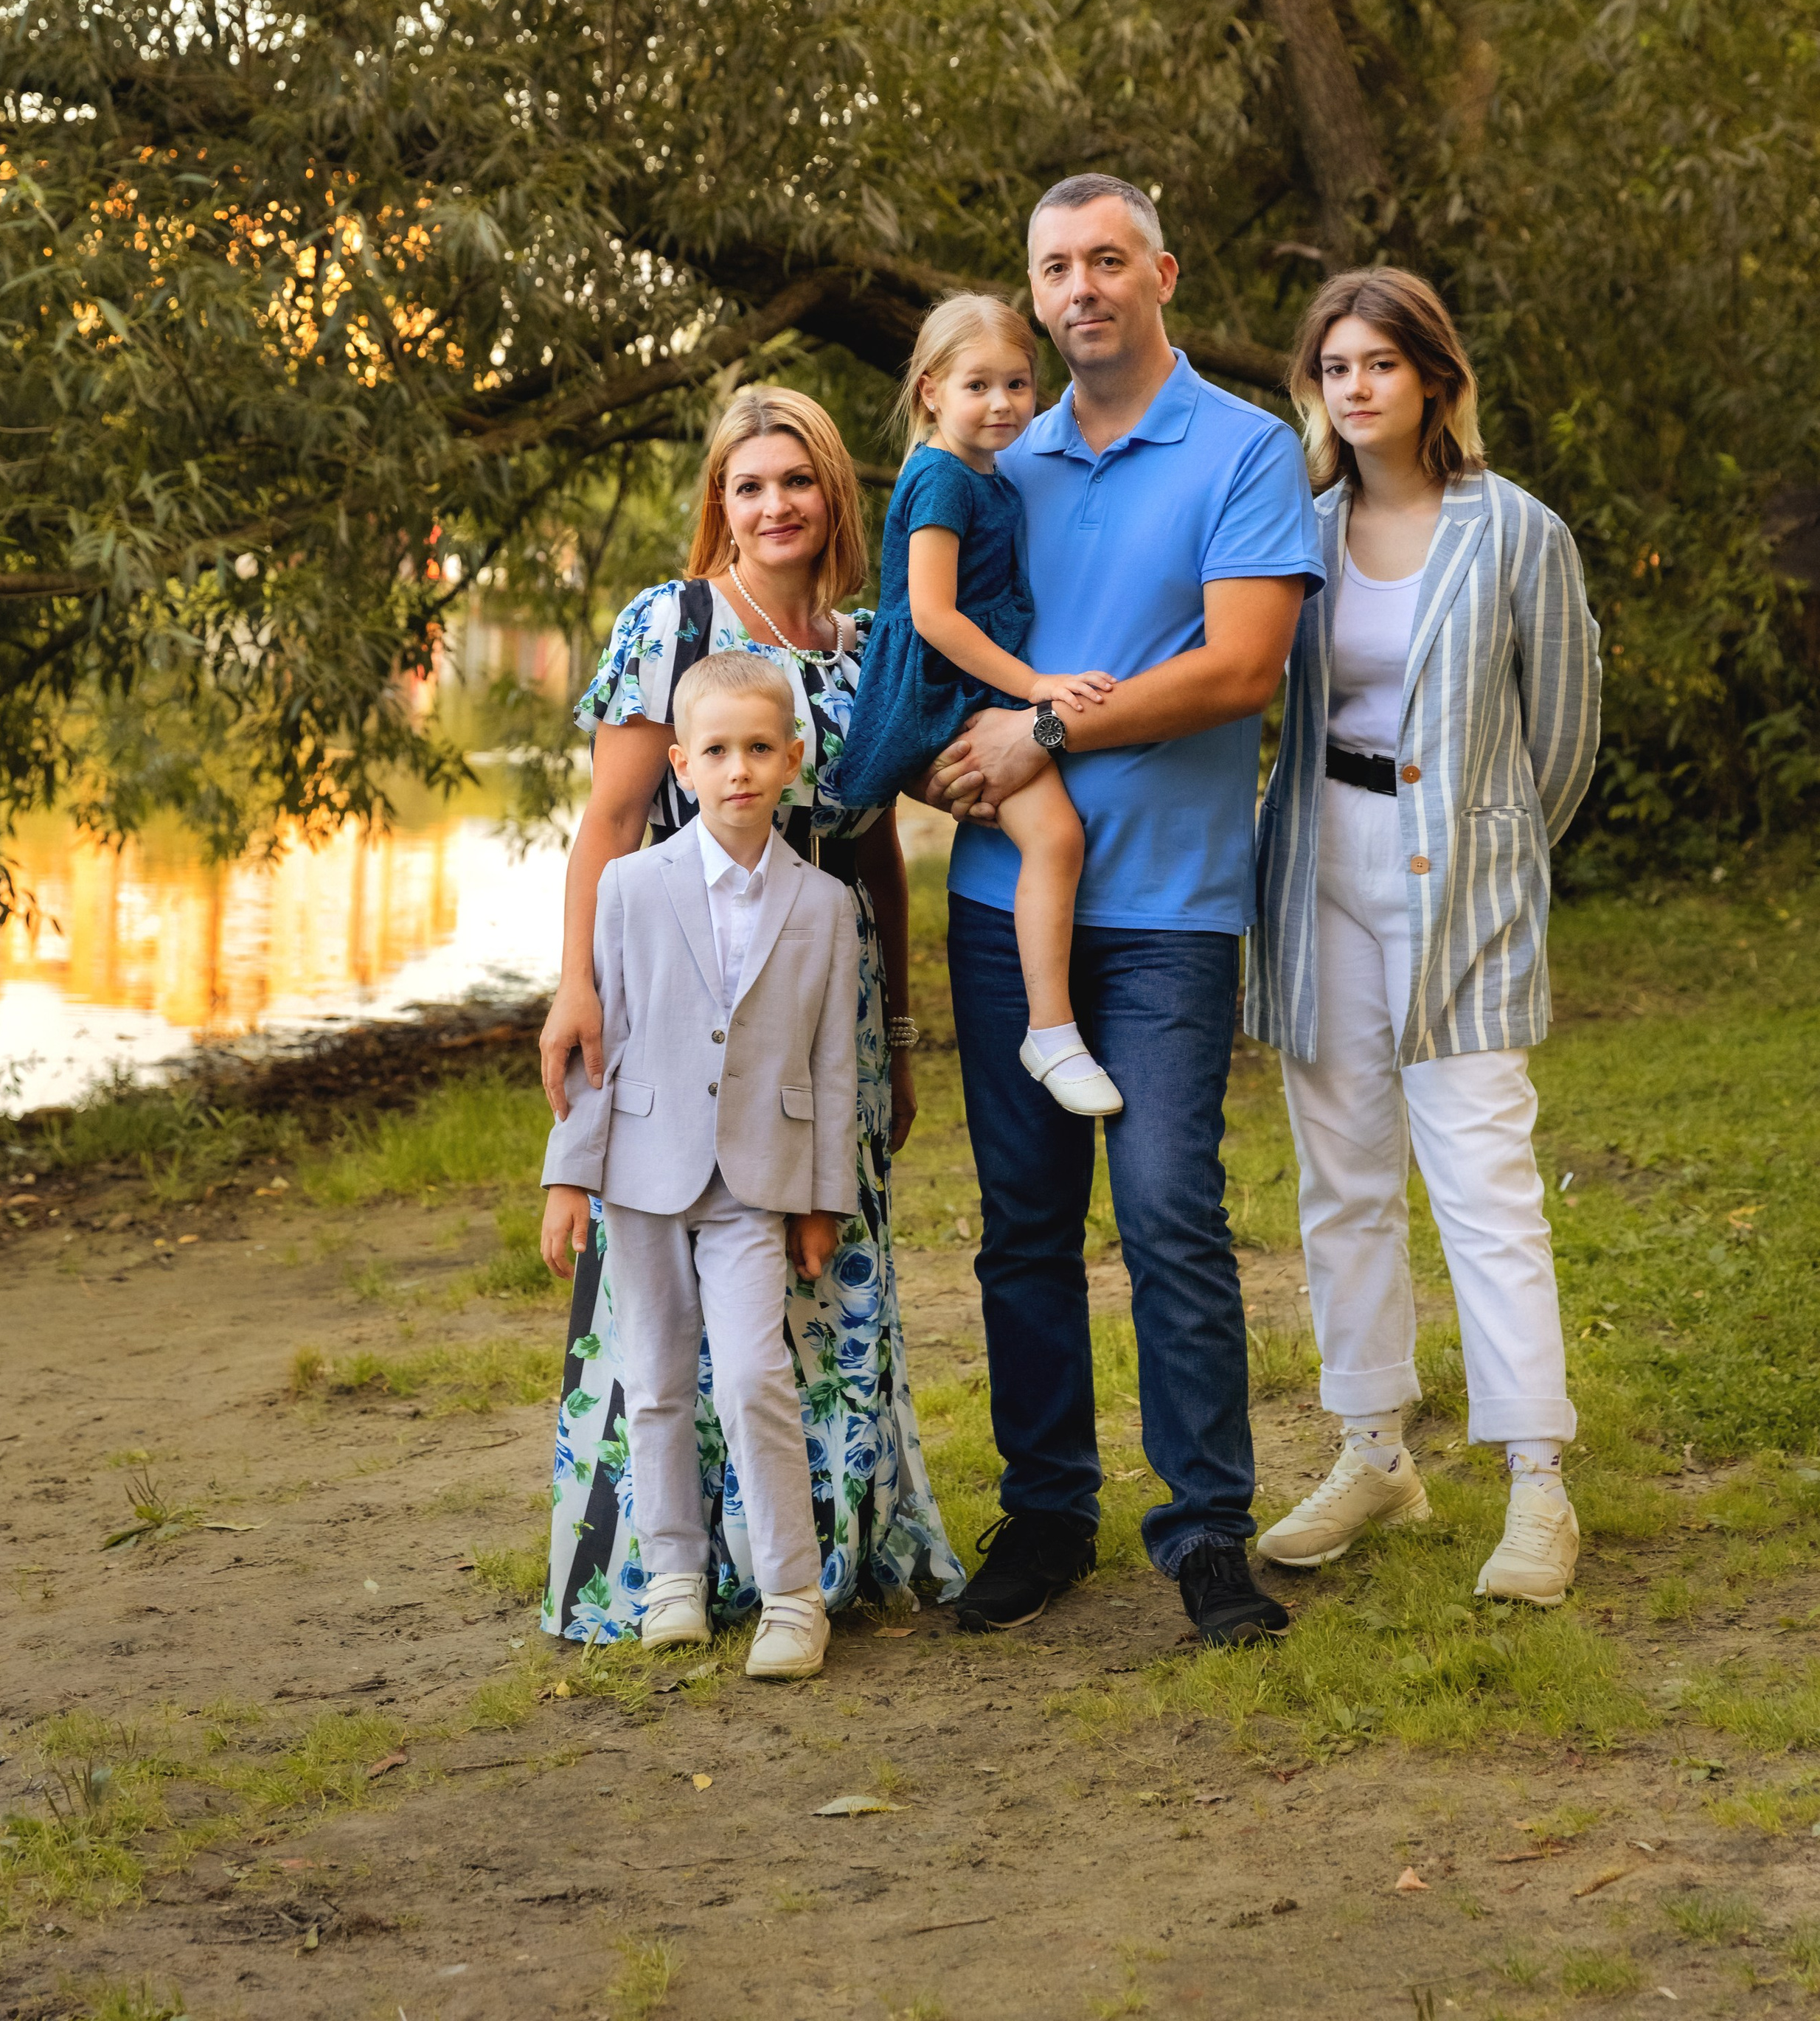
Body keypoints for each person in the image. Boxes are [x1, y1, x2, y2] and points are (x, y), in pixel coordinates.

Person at [925, 175, 1324, 1646]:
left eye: (1106, 259)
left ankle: (1207, 1530)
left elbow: (1237, 670)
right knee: (1022, 1226)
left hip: (1165, 906)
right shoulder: (996, 460)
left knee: (1164, 1208)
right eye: (1053, 268)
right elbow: (932, 653)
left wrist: (1043, 739)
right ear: (1029, 295)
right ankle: (1045, 1517)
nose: (1080, 286)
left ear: (1159, 271)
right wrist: (933, 762)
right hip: (997, 902)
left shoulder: (1240, 449)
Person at [535, 386, 961, 1641]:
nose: (775, 505)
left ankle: (814, 1566)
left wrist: (896, 1037)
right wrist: (575, 984)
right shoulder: (672, 626)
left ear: (834, 492)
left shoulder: (869, 643)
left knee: (821, 1296)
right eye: (748, 485)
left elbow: (874, 848)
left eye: (797, 481)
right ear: (719, 502)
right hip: (675, 1000)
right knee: (669, 1311)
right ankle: (671, 1571)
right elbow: (612, 825)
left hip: (824, 992)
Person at [1246, 268, 1600, 1606]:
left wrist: (1492, 841)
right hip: (1318, 864)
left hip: (1461, 881)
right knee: (1341, 1176)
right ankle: (1374, 1447)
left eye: (1380, 363)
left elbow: (1563, 735)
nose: (1356, 385)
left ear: (1434, 379)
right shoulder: (1304, 529)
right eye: (1335, 366)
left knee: (1485, 1185)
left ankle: (1535, 1480)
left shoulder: (1518, 533)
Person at [542, 652, 861, 1680]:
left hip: (756, 1183)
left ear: (792, 759)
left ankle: (792, 1596)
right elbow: (603, 1043)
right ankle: (673, 1579)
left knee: (757, 1378)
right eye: (716, 751)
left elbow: (832, 1065)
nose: (739, 770)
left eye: (759, 749)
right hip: (641, 1169)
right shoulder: (631, 889)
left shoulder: (823, 905)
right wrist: (566, 1177)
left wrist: (824, 1201)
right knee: (657, 1378)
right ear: (680, 763)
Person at [833, 293, 1121, 1119]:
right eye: (978, 386)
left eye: (1019, 385)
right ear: (930, 390)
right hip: (943, 690)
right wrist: (1034, 687)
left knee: (1056, 838)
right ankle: (1050, 1029)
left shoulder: (988, 476)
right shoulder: (939, 479)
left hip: (972, 684)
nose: (1002, 404)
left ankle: (1049, 1025)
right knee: (1057, 835)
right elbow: (930, 613)